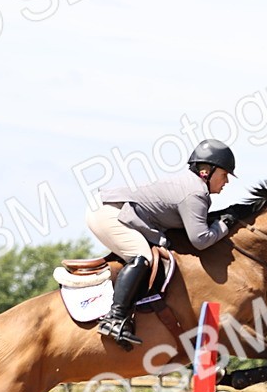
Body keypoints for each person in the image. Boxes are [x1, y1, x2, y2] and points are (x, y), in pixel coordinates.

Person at [85, 139, 238, 348]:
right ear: (206, 172)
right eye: (224, 174)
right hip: (109, 213)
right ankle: (114, 318)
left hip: (115, 211)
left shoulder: (192, 186)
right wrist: (225, 226)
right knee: (143, 257)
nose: (226, 181)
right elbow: (200, 240)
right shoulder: (196, 192)